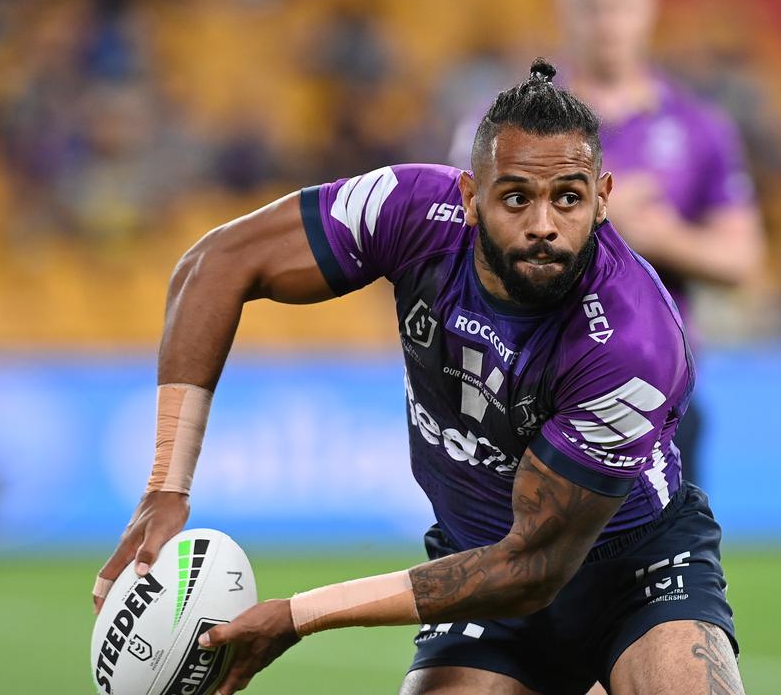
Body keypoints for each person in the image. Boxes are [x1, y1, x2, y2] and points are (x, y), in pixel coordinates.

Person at [93, 59, 744, 695]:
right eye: (516, 196)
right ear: (468, 196)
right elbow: (215, 264)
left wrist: (298, 616)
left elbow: (531, 568)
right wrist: (165, 486)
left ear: (602, 200)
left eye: (567, 198)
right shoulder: (409, 210)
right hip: (474, 563)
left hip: (636, 569)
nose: (544, 225)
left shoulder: (633, 343)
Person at [450, 0, 763, 487]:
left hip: (655, 396)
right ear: (564, 13)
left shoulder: (700, 127)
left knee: (667, 560)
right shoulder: (506, 125)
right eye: (591, 6)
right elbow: (462, 234)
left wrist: (658, 236)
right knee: (526, 563)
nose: (607, 23)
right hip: (528, 394)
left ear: (650, 10)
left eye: (621, 5)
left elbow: (741, 258)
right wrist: (596, 216)